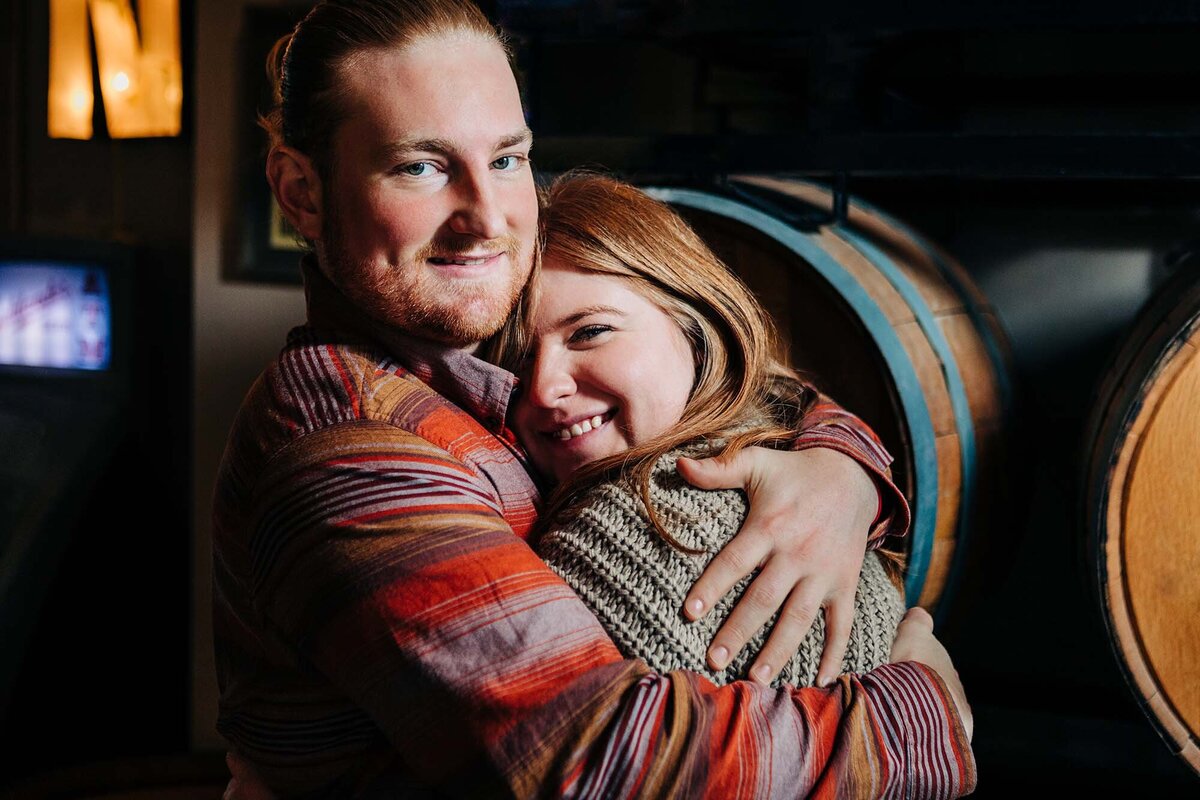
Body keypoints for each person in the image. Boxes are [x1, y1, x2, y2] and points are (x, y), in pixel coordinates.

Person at [213, 1, 976, 796]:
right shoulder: (350, 449)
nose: (485, 219)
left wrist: (836, 469)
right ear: (300, 191)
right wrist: (917, 720)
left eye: (507, 159)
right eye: (421, 167)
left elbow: (751, 388)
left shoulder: (476, 342)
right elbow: (596, 763)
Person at [496, 173, 910, 688]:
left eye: (590, 332)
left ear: (695, 327)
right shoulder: (767, 432)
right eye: (515, 358)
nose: (542, 388)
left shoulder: (609, 537)